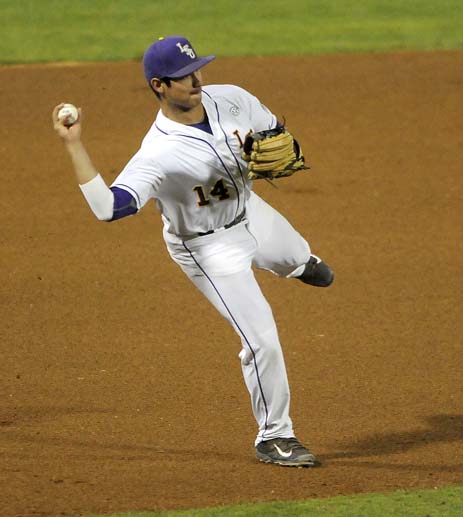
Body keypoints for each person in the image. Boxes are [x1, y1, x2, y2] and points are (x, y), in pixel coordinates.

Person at [51, 35, 333, 467]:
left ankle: (295, 264)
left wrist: (277, 140)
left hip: (250, 211)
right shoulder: (158, 154)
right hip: (209, 248)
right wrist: (73, 145)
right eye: (183, 77)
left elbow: (274, 131)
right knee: (262, 341)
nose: (196, 80)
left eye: (197, 68)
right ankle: (276, 437)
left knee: (299, 256)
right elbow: (110, 208)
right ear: (159, 85)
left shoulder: (232, 97)